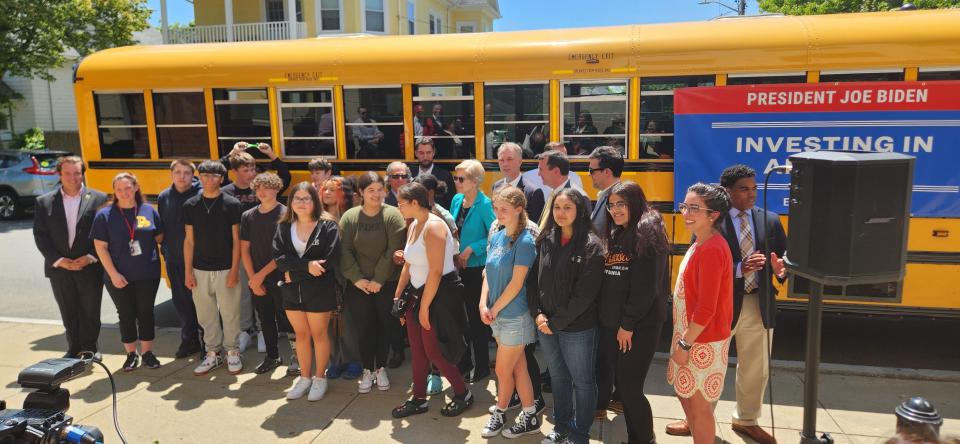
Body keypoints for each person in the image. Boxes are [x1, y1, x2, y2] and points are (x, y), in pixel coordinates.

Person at [672, 165, 787, 444]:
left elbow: (783, 259)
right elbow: (706, 269)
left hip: (756, 303)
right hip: (723, 306)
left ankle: (746, 420)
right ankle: (698, 420)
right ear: (727, 192)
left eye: (754, 188)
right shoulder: (710, 223)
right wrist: (740, 268)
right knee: (706, 378)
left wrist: (781, 271)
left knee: (755, 367)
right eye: (743, 189)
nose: (751, 195)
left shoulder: (769, 220)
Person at [390, 182, 473, 419]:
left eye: (401, 204)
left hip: (439, 296)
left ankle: (462, 393)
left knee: (435, 351)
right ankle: (418, 398)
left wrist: (424, 307)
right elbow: (408, 263)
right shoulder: (414, 224)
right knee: (417, 350)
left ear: (415, 203)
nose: (399, 208)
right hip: (416, 295)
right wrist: (398, 297)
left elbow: (436, 271)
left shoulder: (435, 227)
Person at [596, 181, 670, 443]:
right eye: (611, 204)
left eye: (621, 204)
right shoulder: (619, 232)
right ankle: (635, 437)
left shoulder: (647, 232)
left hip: (637, 327)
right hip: (618, 327)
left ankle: (644, 439)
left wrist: (627, 324)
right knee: (626, 391)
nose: (615, 210)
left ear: (635, 202)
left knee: (630, 389)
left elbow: (645, 288)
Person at [530, 188, 605, 444]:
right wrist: (538, 314)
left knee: (582, 382)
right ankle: (561, 427)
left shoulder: (591, 246)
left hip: (578, 328)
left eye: (567, 208)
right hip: (546, 324)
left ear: (580, 211)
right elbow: (534, 282)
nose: (560, 213)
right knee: (559, 378)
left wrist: (555, 322)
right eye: (557, 208)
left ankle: (579, 433)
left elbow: (585, 295)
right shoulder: (546, 239)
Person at [666, 182, 734, 444]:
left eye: (695, 208)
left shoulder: (713, 249)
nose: (686, 213)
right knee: (688, 399)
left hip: (701, 341)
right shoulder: (701, 241)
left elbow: (707, 308)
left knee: (700, 408)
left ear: (713, 215)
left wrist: (684, 344)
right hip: (691, 337)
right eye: (685, 206)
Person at [479, 186, 542, 439]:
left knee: (503, 371)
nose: (498, 213)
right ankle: (529, 415)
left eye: (504, 209)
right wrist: (483, 303)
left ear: (519, 209)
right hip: (497, 314)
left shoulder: (526, 241)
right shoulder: (497, 235)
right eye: (496, 208)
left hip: (515, 316)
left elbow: (517, 283)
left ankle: (501, 412)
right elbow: (487, 273)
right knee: (518, 369)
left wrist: (493, 307)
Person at [33, 156, 109, 358]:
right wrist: (59, 261)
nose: (73, 177)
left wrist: (91, 257)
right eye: (67, 173)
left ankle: (91, 349)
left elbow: (105, 233)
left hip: (89, 266)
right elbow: (40, 235)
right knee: (68, 312)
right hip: (59, 269)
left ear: (83, 173)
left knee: (90, 312)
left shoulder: (99, 198)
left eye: (77, 172)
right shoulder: (44, 202)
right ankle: (74, 349)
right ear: (59, 174)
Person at [339, 172, 407, 394]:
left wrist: (378, 279)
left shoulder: (393, 215)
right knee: (364, 327)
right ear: (361, 192)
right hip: (358, 285)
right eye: (371, 190)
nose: (376, 194)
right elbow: (345, 251)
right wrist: (357, 278)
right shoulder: (349, 217)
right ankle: (367, 369)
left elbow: (393, 250)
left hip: (386, 283)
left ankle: (381, 367)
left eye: (380, 189)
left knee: (385, 326)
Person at [221, 143, 292, 353]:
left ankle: (267, 332)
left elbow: (284, 177)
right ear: (235, 172)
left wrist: (271, 154)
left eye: (253, 169)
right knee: (245, 293)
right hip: (242, 249)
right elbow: (213, 172)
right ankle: (246, 330)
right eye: (246, 170)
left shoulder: (278, 206)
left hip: (271, 257)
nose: (251, 174)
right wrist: (232, 153)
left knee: (278, 301)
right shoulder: (227, 191)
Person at [273, 182, 341, 401]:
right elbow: (280, 259)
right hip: (292, 293)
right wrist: (304, 268)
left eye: (307, 198)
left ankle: (320, 378)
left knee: (319, 334)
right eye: (297, 198)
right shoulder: (284, 227)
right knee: (301, 335)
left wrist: (295, 274)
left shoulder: (328, 226)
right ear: (291, 202)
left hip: (319, 290)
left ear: (315, 201)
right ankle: (305, 377)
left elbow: (329, 260)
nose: (302, 203)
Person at [91, 172, 164, 371]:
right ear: (114, 191)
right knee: (126, 313)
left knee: (146, 312)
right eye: (119, 189)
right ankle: (131, 354)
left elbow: (160, 237)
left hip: (148, 273)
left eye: (128, 188)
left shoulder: (149, 211)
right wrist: (113, 274)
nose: (124, 192)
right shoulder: (104, 215)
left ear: (136, 187)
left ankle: (148, 353)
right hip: (118, 275)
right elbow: (100, 247)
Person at [183, 160, 243, 376]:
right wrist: (188, 271)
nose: (209, 179)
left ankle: (232, 351)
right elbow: (189, 241)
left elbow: (237, 241)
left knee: (230, 314)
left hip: (226, 267)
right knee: (206, 315)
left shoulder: (232, 204)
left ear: (222, 178)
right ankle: (212, 353)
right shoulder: (190, 205)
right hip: (199, 269)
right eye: (205, 175)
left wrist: (235, 270)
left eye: (214, 175)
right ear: (199, 177)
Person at [240, 173, 292, 375]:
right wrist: (253, 278)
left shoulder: (286, 215)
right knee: (266, 319)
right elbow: (245, 249)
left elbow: (284, 252)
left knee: (288, 318)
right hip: (257, 279)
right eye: (259, 188)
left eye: (267, 187)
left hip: (280, 276)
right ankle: (272, 356)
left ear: (277, 189)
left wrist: (259, 276)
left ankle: (296, 357)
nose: (262, 192)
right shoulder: (248, 216)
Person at [450, 159, 497, 383]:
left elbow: (494, 234)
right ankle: (465, 362)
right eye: (455, 178)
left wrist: (471, 248)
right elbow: (453, 229)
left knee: (476, 320)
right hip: (458, 266)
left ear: (476, 181)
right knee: (461, 317)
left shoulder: (485, 204)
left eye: (462, 179)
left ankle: (482, 365)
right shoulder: (457, 199)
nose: (457, 182)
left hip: (477, 269)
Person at [157, 160, 203, 359]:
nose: (182, 176)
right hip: (174, 258)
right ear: (171, 174)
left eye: (186, 172)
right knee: (182, 302)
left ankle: (208, 343)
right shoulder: (164, 196)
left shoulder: (201, 195)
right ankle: (189, 340)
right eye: (178, 172)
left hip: (200, 259)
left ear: (193, 175)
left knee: (203, 303)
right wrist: (165, 251)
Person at [534, 150, 591, 230]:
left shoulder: (579, 197)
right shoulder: (553, 193)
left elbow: (582, 233)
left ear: (556, 171)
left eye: (541, 169)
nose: (538, 174)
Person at [492, 142, 544, 222]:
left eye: (510, 159)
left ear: (520, 161)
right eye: (501, 160)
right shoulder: (496, 186)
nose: (505, 164)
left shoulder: (533, 192)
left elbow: (536, 227)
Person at [588, 146, 623, 235]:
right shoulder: (606, 194)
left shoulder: (618, 199)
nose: (589, 174)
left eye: (591, 171)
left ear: (607, 172)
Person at [411, 137, 455, 208]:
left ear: (434, 152)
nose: (425, 157)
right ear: (416, 153)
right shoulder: (409, 174)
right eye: (421, 153)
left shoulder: (445, 176)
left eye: (428, 152)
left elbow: (451, 204)